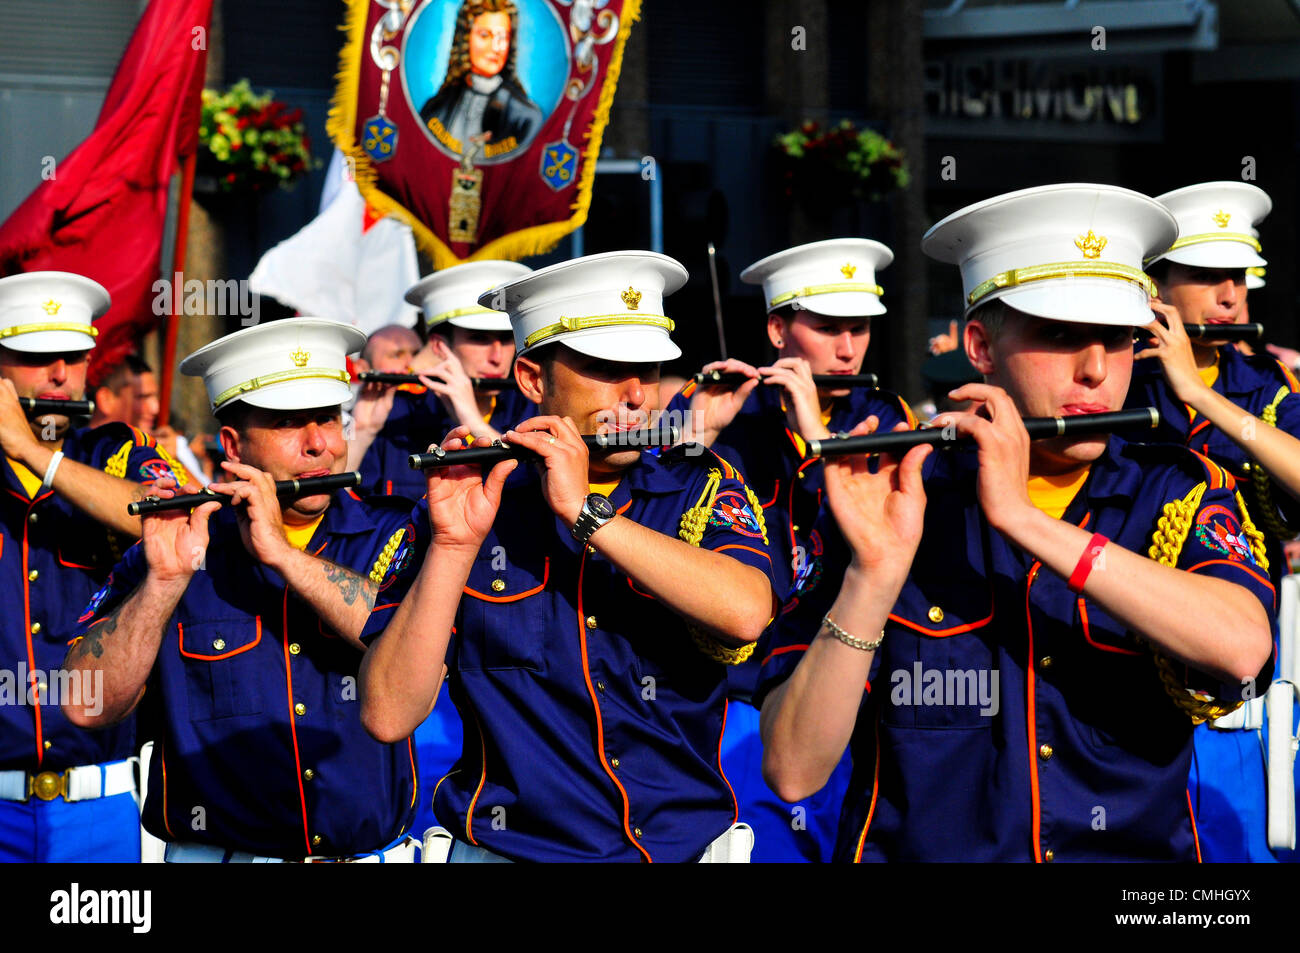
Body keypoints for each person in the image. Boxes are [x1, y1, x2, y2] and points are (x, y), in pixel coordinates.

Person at [759, 184, 1276, 862]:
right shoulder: (896, 496)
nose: (1095, 371)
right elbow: (793, 768)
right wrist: (874, 577)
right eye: (1060, 336)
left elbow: (1241, 647)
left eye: (1117, 339)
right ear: (979, 345)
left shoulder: (1179, 488)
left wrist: (1024, 519)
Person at [359, 250, 783, 862]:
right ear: (532, 379)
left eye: (651, 367)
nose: (638, 396)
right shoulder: (469, 501)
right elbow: (386, 712)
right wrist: (454, 545)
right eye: (607, 368)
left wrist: (589, 515)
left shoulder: (701, 481)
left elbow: (746, 611)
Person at [63, 318, 421, 862]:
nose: (319, 445)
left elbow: (408, 648)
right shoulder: (179, 545)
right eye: (287, 424)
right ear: (233, 445)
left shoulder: (391, 532)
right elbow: (85, 705)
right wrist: (162, 583)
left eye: (328, 418)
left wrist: (282, 555)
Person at [664, 238, 915, 861]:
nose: (848, 348)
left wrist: (818, 440)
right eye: (828, 327)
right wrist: (695, 433)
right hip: (729, 690)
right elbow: (653, 516)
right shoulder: (725, 408)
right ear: (778, 329)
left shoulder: (884, 413)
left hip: (837, 688)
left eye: (859, 328)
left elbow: (871, 534)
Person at [1124, 181, 1300, 863]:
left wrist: (1199, 394)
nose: (1231, 294)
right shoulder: (1113, 381)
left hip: (1233, 709)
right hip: (1121, 701)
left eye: (1239, 276)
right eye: (1206, 275)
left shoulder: (1265, 388)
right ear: (1155, 286)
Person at [0, 271, 191, 862]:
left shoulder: (117, 448)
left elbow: (171, 517)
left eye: (74, 355)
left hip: (102, 807)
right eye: (35, 356)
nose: (59, 374)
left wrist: (34, 453)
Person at [351, 262, 532, 500]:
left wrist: (472, 421)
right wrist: (362, 431)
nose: (497, 357)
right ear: (439, 346)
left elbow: (535, 488)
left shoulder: (532, 405)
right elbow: (343, 511)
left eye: (507, 339)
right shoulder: (399, 412)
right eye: (480, 339)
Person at [418, 0, 543, 159]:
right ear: (466, 37)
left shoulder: (526, 118)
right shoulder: (435, 108)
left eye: (502, 37)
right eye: (485, 35)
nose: (496, 48)